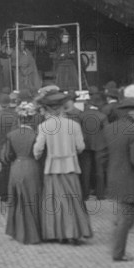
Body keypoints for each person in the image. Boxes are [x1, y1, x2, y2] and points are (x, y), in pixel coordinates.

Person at [33, 91, 92, 243]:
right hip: (71, 166)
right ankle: (74, 232)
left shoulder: (44, 126)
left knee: (55, 201)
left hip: (52, 167)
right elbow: (81, 147)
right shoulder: (74, 125)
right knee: (73, 200)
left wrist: (37, 156)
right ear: (61, 108)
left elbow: (38, 149)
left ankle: (58, 233)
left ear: (48, 109)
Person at [104, 98, 134, 262]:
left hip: (113, 176)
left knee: (123, 215)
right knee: (126, 217)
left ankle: (116, 247)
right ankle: (118, 253)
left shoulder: (109, 129)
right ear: (131, 112)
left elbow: (104, 155)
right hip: (129, 179)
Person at [5, 101, 42, 244]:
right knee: (33, 198)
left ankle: (17, 230)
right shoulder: (35, 134)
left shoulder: (11, 135)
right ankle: (34, 232)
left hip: (16, 167)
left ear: (19, 118)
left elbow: (8, 155)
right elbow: (39, 153)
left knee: (16, 198)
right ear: (31, 119)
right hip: (31, 166)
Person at [79, 87, 108, 200]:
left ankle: (85, 194)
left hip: (85, 145)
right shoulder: (103, 116)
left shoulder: (82, 115)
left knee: (85, 171)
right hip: (100, 145)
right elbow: (107, 131)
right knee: (99, 170)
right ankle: (100, 194)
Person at [0, 93, 18, 201]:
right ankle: (11, 192)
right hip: (10, 145)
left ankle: (2, 193)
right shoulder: (15, 116)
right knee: (11, 169)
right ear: (9, 103)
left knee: (0, 171)